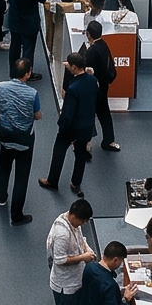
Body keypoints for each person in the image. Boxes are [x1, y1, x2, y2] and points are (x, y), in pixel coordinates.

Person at [47, 198, 96, 305]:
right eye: (82, 220)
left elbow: (80, 239)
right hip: (64, 284)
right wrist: (84, 257)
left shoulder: (73, 223)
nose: (83, 223)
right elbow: (59, 260)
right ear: (74, 215)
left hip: (75, 280)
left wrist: (86, 249)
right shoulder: (62, 233)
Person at [42, 51, 98, 196]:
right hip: (86, 126)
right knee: (80, 156)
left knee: (59, 152)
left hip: (72, 128)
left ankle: (52, 180)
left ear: (74, 67)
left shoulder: (73, 89)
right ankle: (75, 183)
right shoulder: (92, 81)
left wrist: (62, 127)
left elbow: (68, 113)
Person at [0, 59, 42, 223]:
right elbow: (37, 115)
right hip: (24, 141)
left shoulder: (0, 87)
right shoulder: (32, 94)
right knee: (21, 177)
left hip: (5, 137)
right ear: (27, 74)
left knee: (4, 166)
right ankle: (16, 215)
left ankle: (1, 197)